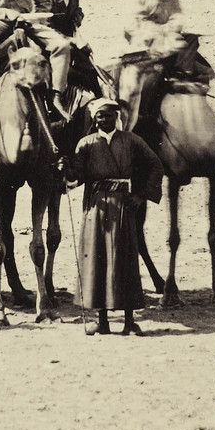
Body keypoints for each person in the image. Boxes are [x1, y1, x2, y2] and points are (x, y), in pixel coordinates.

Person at [67, 99, 164, 336]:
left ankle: (129, 321)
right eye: (100, 116)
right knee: (98, 261)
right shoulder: (85, 144)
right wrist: (63, 168)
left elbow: (155, 165)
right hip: (96, 208)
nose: (105, 120)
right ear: (94, 119)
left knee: (125, 260)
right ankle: (102, 321)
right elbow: (76, 177)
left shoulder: (131, 140)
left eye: (109, 115)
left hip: (123, 206)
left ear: (116, 117)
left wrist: (141, 196)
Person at [115, 0, 186, 131]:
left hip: (167, 50)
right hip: (140, 50)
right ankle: (126, 129)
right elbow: (133, 24)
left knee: (197, 75)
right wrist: (160, 30)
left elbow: (177, 19)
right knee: (131, 89)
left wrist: (169, 30)